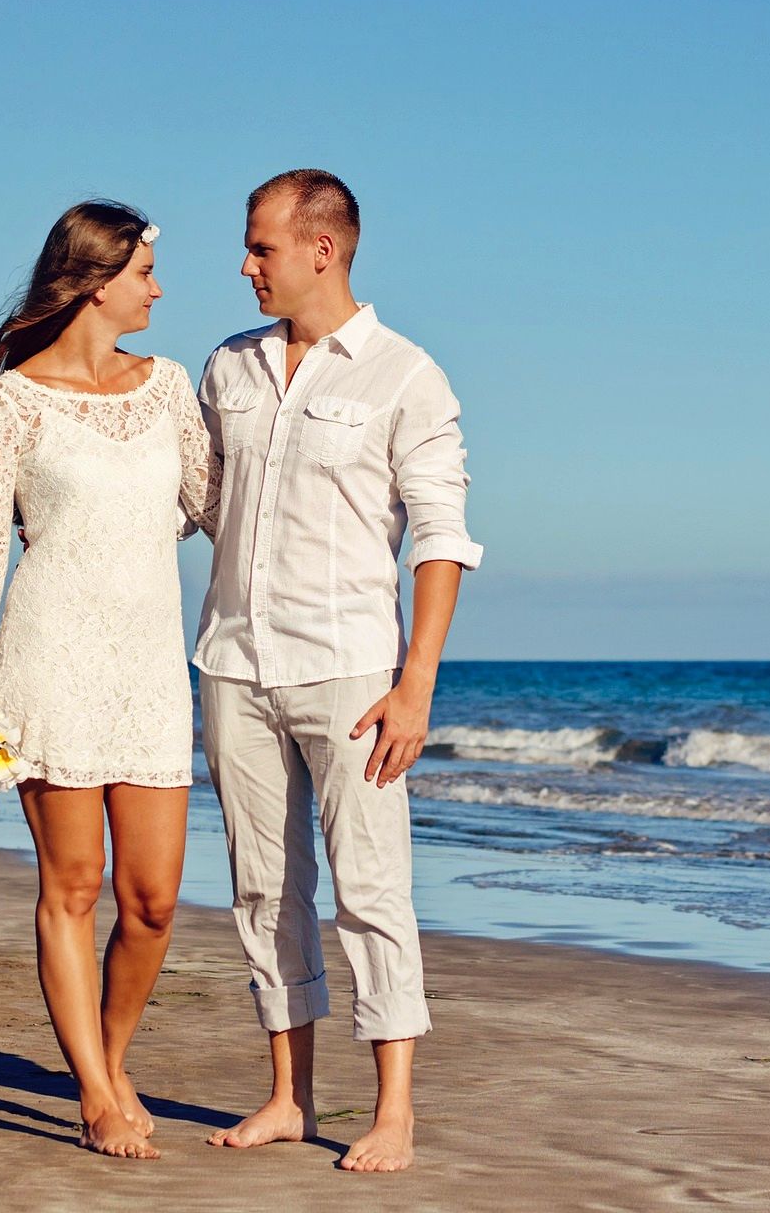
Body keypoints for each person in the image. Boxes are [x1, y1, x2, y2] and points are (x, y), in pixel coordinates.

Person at [193, 169, 482, 1173]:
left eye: (260, 246)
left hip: (355, 673)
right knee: (262, 889)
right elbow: (192, 500)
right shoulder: (226, 368)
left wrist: (419, 680)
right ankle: (288, 1094)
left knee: (370, 888)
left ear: (324, 248)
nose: (244, 264)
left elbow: (441, 538)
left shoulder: (407, 375)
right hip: (232, 662)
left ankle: (393, 1107)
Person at [0, 200, 216, 1160]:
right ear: (96, 282)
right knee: (75, 884)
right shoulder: (11, 400)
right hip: (46, 661)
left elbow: (208, 508)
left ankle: (110, 1054)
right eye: (145, 271)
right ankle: (97, 1091)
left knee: (154, 901)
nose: (159, 288)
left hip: (147, 668)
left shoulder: (169, 385)